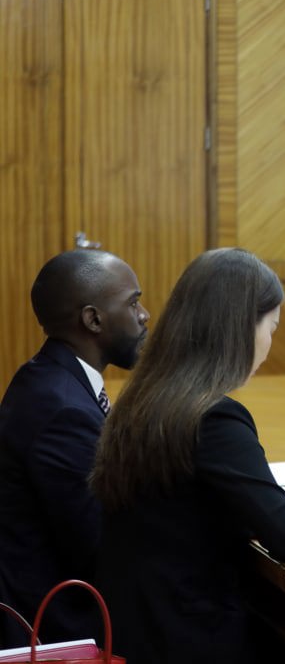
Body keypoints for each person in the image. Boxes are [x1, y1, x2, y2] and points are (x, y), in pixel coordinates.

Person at [91, 248, 285, 662]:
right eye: (272, 327)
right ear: (241, 329)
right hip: (192, 637)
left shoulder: (144, 399)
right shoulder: (214, 416)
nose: (269, 344)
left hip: (137, 627)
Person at [0, 249, 149, 646]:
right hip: (60, 628)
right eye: (133, 303)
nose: (144, 315)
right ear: (93, 319)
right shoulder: (62, 410)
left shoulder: (48, 377)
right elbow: (103, 550)